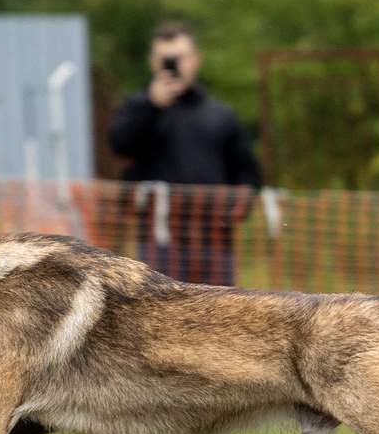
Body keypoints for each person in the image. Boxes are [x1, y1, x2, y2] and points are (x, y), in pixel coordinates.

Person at [104, 21, 262, 284]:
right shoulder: (136, 107)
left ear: (195, 60)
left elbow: (246, 171)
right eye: (164, 59)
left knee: (220, 318)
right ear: (152, 61)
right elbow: (120, 145)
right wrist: (151, 105)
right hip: (158, 241)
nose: (173, 65)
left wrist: (235, 210)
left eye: (179, 58)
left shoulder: (220, 114)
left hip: (214, 242)